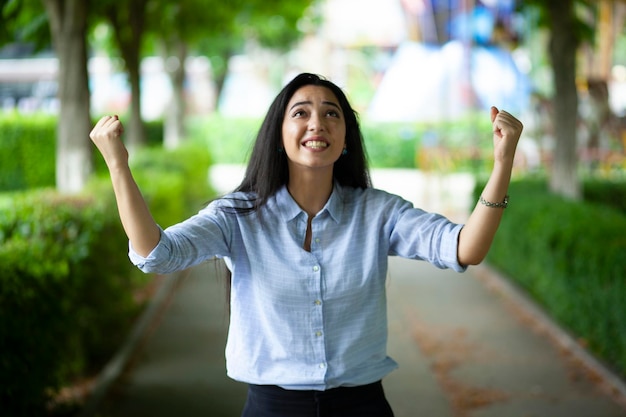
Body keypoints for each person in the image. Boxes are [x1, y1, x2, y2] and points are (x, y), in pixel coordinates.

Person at [90, 72, 523, 417]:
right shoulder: (236, 216)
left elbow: (465, 247)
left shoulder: (379, 212)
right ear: (278, 134)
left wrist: (503, 163)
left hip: (363, 406)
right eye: (301, 112)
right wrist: (117, 165)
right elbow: (156, 254)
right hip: (271, 407)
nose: (317, 122)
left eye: (331, 113)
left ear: (346, 136)